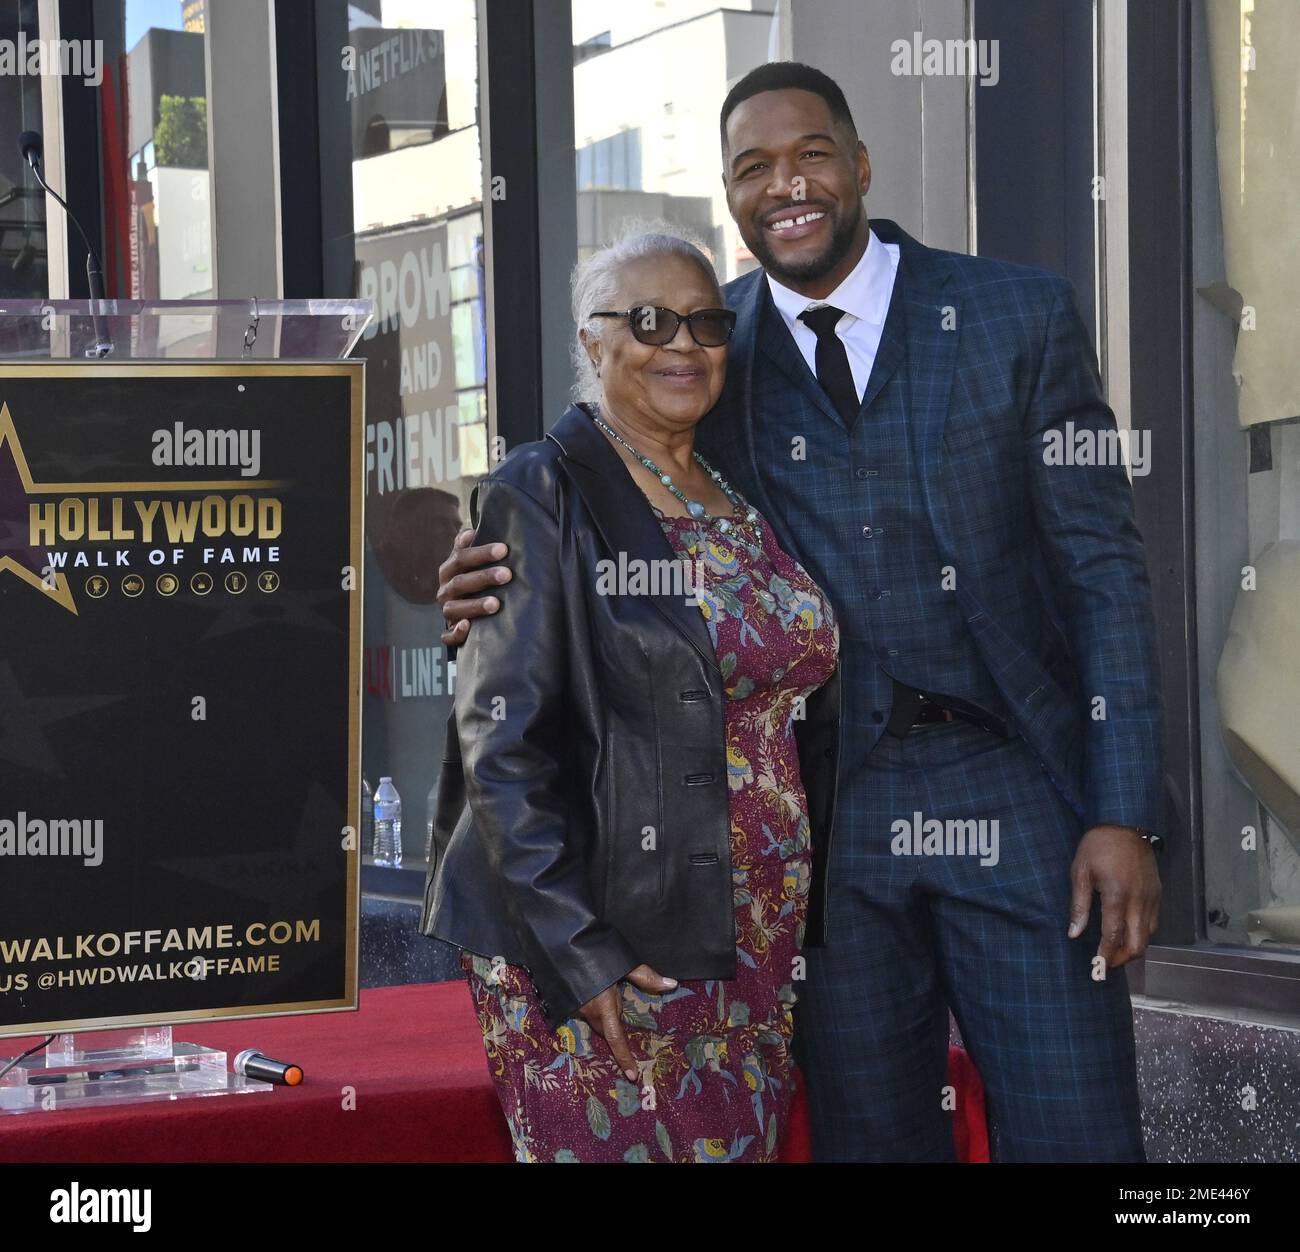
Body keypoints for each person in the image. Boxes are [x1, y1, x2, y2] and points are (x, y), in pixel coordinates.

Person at [437, 61, 1165, 1163]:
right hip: (820, 835)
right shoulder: (706, 338)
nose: (787, 185)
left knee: (1080, 1132)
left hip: (1018, 796)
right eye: (752, 168)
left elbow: (1104, 573)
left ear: (859, 164)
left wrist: (1124, 810)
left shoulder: (1018, 315)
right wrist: (481, 567)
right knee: (871, 1139)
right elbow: (591, 471)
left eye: (811, 154)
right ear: (730, 196)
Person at [421, 224, 840, 1163]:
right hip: (613, 938)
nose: (683, 345)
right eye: (650, 322)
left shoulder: (735, 488)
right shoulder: (543, 488)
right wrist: (581, 948)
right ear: (593, 342)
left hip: (752, 938)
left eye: (706, 323)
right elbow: (502, 741)